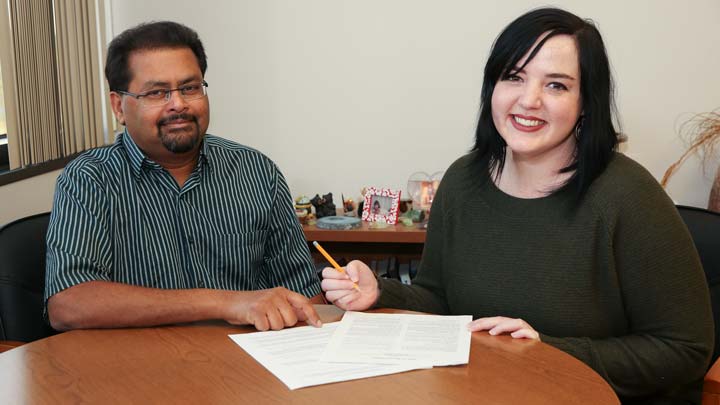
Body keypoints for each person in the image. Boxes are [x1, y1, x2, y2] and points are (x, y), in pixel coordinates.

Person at [321, 7, 713, 403]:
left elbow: (685, 349)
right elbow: (439, 300)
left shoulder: (628, 195)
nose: (529, 100)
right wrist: (379, 293)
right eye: (514, 77)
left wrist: (546, 349)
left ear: (586, 102)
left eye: (557, 86)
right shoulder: (461, 180)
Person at [45, 21, 323, 332]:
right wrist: (224, 302)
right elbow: (68, 304)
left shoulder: (256, 171)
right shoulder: (89, 179)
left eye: (190, 88)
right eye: (157, 92)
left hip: (246, 368)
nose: (178, 104)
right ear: (118, 106)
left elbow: (304, 295)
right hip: (138, 369)